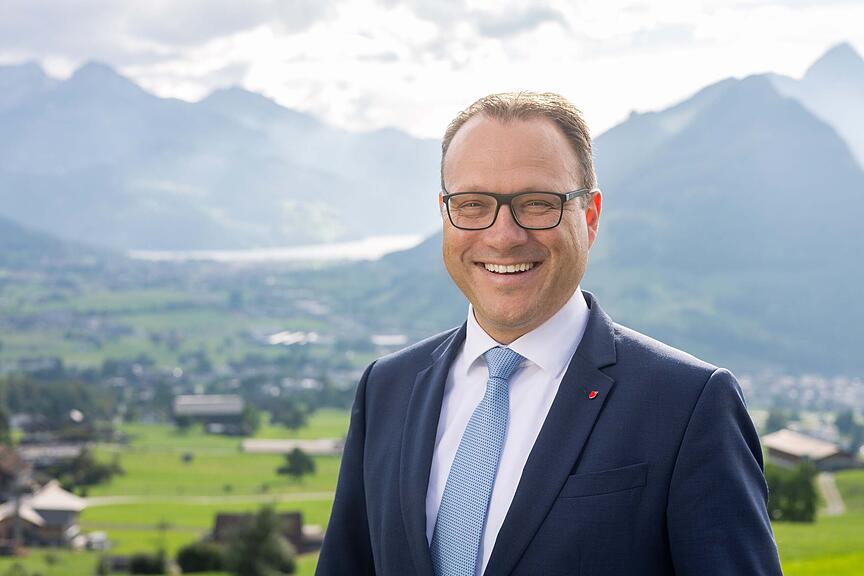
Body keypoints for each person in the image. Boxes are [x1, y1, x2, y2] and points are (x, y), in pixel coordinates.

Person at [316, 92, 782, 575]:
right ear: (445, 213)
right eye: (473, 205)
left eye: (537, 204)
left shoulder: (688, 404)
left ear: (590, 217)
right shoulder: (386, 388)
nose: (503, 235)